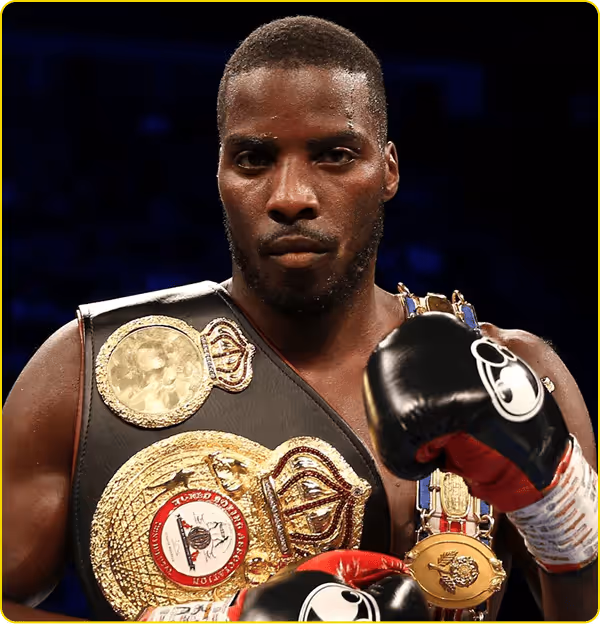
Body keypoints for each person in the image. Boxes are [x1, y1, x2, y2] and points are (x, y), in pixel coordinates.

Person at [3, 16, 597, 622]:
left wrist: (562, 505)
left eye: (335, 155)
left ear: (388, 170)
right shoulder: (83, 371)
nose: (290, 196)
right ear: (219, 175)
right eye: (254, 158)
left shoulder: (514, 376)